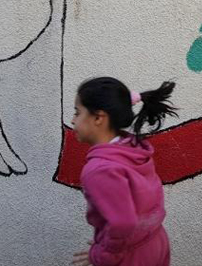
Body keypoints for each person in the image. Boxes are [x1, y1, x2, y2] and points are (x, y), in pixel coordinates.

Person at [70, 76, 178, 266]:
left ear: (98, 118)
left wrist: (103, 254)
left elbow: (123, 223)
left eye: (77, 113)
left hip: (131, 257)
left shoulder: (99, 170)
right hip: (155, 242)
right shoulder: (132, 149)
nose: (72, 120)